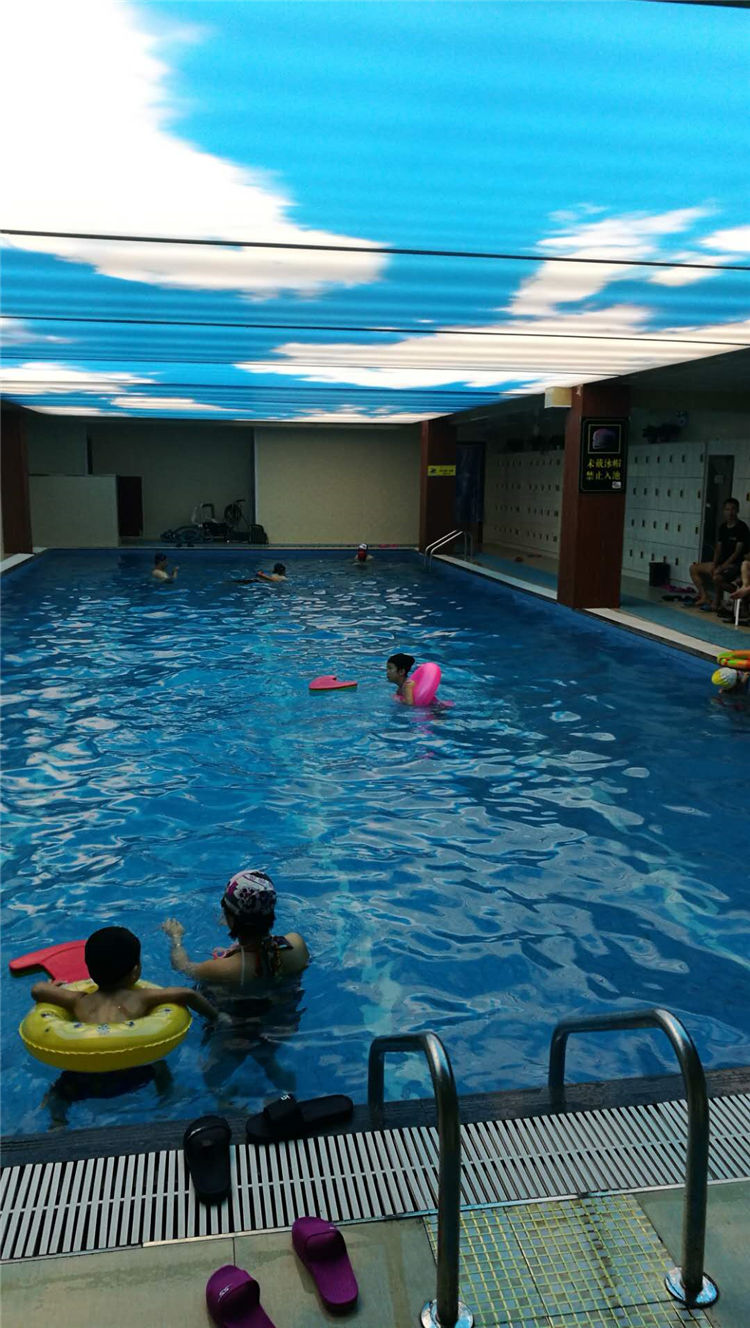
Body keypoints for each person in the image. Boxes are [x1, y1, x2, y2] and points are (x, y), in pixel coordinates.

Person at [30, 926, 219, 1024]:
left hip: (85, 1065)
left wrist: (55, 987)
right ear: (135, 971)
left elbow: (38, 989)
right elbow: (188, 994)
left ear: (89, 969)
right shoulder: (141, 997)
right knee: (160, 1069)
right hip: (134, 1066)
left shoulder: (78, 1000)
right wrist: (217, 1017)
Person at [161, 868, 309, 988]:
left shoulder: (221, 969)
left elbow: (182, 967)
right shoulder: (296, 944)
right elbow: (263, 951)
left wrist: (176, 937)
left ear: (230, 918)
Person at [690, 499, 750, 611]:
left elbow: (737, 552)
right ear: (723, 511)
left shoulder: (742, 527)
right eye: (727, 509)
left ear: (737, 510)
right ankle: (705, 597)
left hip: (735, 564)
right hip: (722, 563)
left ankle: (742, 595)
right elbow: (718, 549)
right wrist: (714, 564)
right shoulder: (723, 527)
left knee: (717, 577)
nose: (730, 512)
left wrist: (721, 567)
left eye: (733, 509)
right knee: (694, 568)